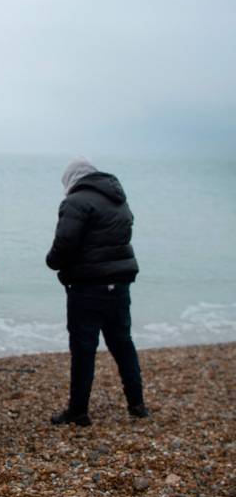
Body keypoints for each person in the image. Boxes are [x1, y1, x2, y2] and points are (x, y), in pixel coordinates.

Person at [46, 157, 148, 426]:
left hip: (88, 286)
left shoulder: (75, 202)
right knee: (122, 343)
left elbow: (65, 242)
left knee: (83, 349)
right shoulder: (118, 199)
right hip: (119, 283)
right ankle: (137, 404)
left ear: (72, 179)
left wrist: (53, 262)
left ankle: (78, 411)